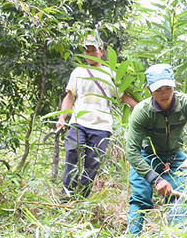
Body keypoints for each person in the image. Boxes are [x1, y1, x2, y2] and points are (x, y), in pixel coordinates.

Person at [126, 64, 187, 232]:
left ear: (174, 85)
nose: (164, 94)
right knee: (140, 198)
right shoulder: (142, 111)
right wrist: (155, 179)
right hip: (146, 156)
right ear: (149, 89)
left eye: (168, 88)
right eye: (158, 90)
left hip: (174, 156)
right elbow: (132, 152)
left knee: (178, 197)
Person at [56, 35, 137, 198]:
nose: (90, 54)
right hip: (79, 122)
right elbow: (70, 96)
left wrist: (142, 108)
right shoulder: (78, 72)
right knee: (72, 151)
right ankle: (67, 194)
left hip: (101, 127)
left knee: (92, 164)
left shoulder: (111, 74)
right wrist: (62, 118)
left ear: (101, 51)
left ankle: (82, 198)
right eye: (87, 50)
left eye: (93, 50)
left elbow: (124, 97)